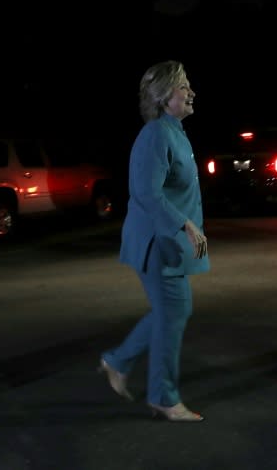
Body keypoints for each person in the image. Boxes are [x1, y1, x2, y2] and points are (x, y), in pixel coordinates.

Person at [98, 60, 208, 422]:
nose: (191, 92)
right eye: (183, 87)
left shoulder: (174, 130)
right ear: (163, 96)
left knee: (173, 310)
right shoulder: (156, 133)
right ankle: (162, 395)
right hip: (156, 243)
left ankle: (117, 361)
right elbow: (146, 192)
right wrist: (186, 226)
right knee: (174, 310)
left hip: (167, 242)